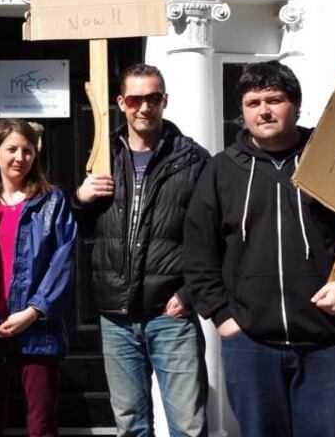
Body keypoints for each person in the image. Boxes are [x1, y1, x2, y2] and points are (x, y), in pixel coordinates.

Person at [183, 60, 335, 437]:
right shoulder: (221, 171)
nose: (263, 110)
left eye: (274, 100)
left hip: (326, 345)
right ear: (242, 111)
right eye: (253, 103)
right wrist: (222, 316)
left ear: (295, 104)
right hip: (251, 345)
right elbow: (199, 252)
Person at [73, 64, 210, 437]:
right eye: (135, 99)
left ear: (164, 100)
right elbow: (81, 231)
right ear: (121, 103)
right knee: (130, 424)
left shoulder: (194, 161)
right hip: (115, 315)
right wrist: (80, 200)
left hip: (171, 314)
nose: (144, 107)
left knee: (188, 425)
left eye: (153, 98)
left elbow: (213, 238)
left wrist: (190, 293)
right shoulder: (103, 156)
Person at [0, 119, 76, 437]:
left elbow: (62, 263)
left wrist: (34, 311)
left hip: (38, 332)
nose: (20, 157)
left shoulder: (52, 203)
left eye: (27, 150)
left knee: (42, 425)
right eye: (12, 149)